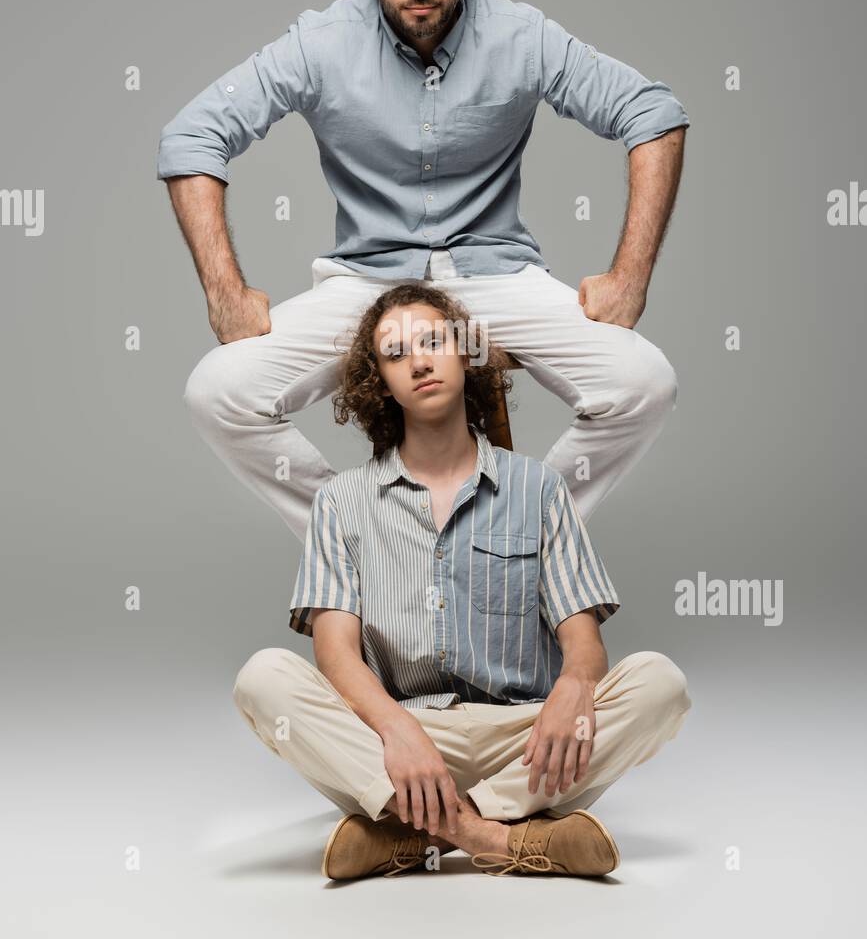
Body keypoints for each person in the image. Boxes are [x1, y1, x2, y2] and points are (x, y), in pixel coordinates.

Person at [157, 0, 690, 542]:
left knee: (642, 382)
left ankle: (516, 539)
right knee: (219, 393)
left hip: (493, 278)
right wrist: (223, 290)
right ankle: (366, 541)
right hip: (367, 282)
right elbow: (192, 136)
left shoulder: (520, 36)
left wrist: (630, 276)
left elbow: (652, 114)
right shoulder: (322, 43)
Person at [232, 285, 692, 879]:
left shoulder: (540, 489)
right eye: (396, 354)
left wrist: (576, 685)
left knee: (660, 683)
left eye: (432, 342)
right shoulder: (340, 503)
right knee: (264, 678)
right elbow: (336, 657)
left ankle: (408, 834)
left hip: (528, 739)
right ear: (381, 383)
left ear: (465, 354)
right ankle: (499, 839)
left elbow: (584, 641)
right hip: (402, 742)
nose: (419, 361)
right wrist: (398, 732)